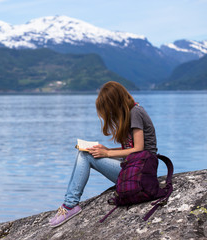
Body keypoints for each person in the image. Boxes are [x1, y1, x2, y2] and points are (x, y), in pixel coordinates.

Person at [49, 81, 157, 228]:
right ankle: (69, 204)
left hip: (141, 174)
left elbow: (139, 149)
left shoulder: (136, 112)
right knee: (85, 152)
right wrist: (108, 150)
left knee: (85, 156)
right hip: (133, 170)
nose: (109, 113)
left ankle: (70, 205)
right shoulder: (130, 113)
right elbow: (131, 152)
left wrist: (107, 153)